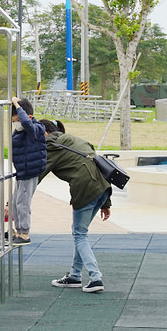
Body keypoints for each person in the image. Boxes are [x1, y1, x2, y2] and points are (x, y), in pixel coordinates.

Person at [41, 119, 112, 293]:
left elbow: (38, 174)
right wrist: (106, 202)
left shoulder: (51, 146)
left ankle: (95, 278)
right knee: (80, 233)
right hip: (102, 187)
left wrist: (16, 199)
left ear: (44, 133)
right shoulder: (75, 140)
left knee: (79, 235)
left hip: (86, 189)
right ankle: (75, 275)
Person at [9, 96, 47, 245]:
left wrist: (17, 105)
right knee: (15, 202)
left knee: (22, 203)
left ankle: (24, 232)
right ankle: (18, 230)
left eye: (16, 120)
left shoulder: (36, 129)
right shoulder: (20, 132)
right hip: (22, 172)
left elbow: (26, 122)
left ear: (28, 116)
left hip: (30, 172)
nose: (16, 124)